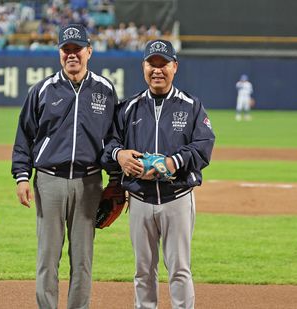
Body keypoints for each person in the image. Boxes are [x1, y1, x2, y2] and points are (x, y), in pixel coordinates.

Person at [11, 23, 119, 308]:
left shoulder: (105, 90)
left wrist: (117, 182)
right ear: (60, 53)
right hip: (49, 181)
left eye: (77, 49)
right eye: (66, 49)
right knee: (48, 257)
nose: (72, 54)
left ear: (89, 52)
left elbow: (114, 139)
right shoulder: (43, 90)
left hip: (90, 182)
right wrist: (22, 176)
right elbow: (24, 135)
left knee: (82, 259)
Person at [102, 39, 215, 309]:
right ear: (144, 67)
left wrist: (175, 161)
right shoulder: (128, 108)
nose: (157, 70)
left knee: (179, 270)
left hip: (177, 197)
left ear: (174, 66)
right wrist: (120, 155)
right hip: (140, 199)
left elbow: (203, 146)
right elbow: (108, 143)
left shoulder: (190, 106)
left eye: (163, 64)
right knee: (143, 272)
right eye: (152, 64)